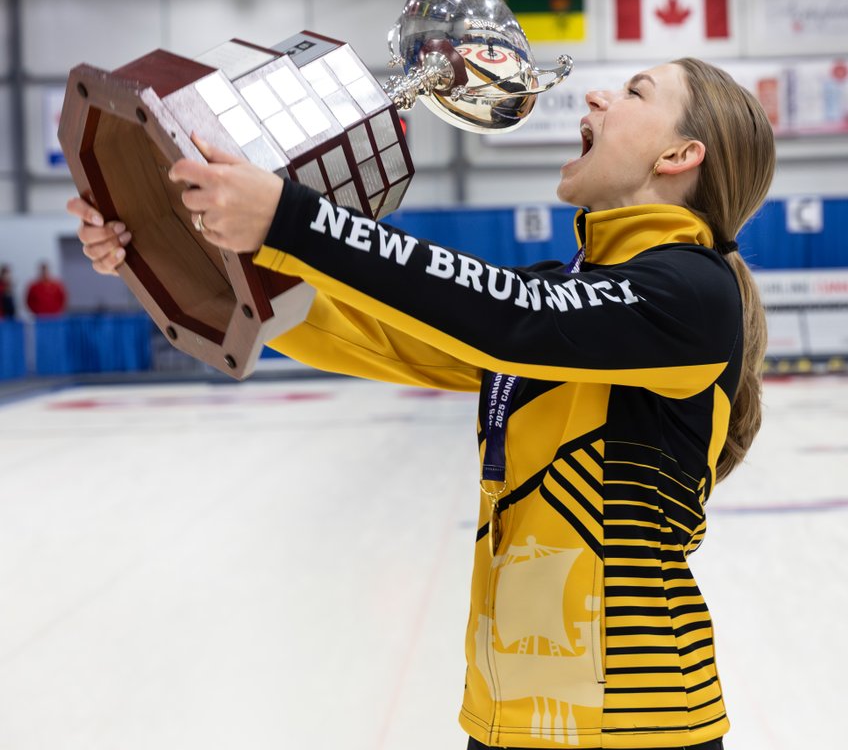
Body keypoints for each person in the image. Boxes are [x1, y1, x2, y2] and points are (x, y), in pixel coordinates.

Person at [70, 57, 775, 750]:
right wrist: (161, 245)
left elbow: (511, 314)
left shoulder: (692, 292)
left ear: (679, 155)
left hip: (639, 723)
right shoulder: (568, 294)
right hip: (507, 718)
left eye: (634, 92)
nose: (597, 97)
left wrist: (291, 220)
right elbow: (374, 334)